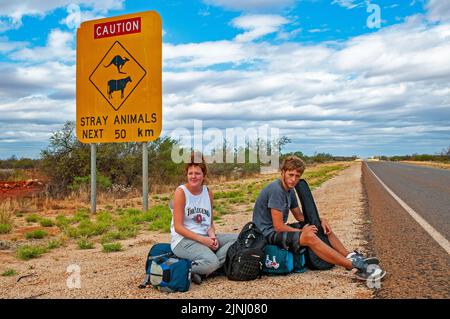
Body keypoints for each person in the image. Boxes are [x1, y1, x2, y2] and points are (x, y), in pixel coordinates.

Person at [252, 155, 385, 281]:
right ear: (283, 172)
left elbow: (298, 216)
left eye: (297, 176)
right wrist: (302, 232)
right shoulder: (277, 190)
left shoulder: (290, 190)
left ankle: (349, 255)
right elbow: (278, 226)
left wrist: (318, 219)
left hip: (276, 230)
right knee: (309, 236)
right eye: (290, 175)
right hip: (265, 234)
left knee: (319, 225)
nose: (293, 179)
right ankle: (353, 266)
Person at [170, 152, 238, 285]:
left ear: (204, 175)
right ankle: (194, 268)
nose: (193, 176)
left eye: (197, 173)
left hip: (204, 237)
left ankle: (205, 268)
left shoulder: (208, 192)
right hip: (183, 241)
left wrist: (212, 236)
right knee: (212, 262)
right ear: (186, 174)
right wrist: (203, 240)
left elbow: (210, 223)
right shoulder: (181, 192)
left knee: (239, 239)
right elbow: (178, 227)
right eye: (190, 173)